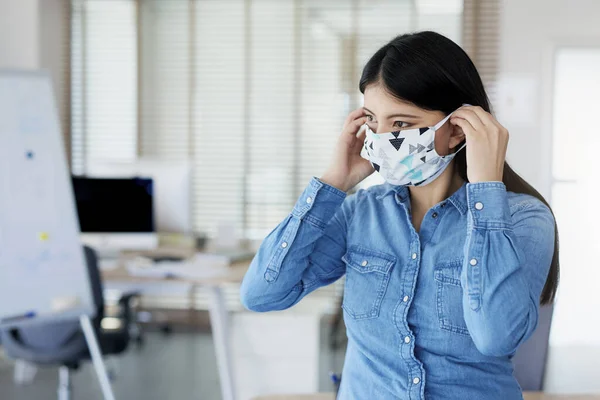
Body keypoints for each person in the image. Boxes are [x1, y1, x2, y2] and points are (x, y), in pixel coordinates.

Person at [240, 31, 559, 400]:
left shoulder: (524, 219)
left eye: (401, 124)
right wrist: (333, 183)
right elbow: (261, 295)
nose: (381, 138)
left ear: (457, 130)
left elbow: (495, 336)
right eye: (373, 121)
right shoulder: (360, 212)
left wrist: (486, 187)